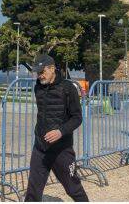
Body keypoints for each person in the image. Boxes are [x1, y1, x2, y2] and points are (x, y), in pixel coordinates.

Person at [24, 54, 89, 202]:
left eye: (42, 71)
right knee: (33, 191)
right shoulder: (38, 88)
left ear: (52, 68)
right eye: (37, 72)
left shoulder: (68, 88)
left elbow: (77, 118)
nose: (40, 76)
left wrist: (60, 131)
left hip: (62, 149)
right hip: (40, 148)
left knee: (74, 189)